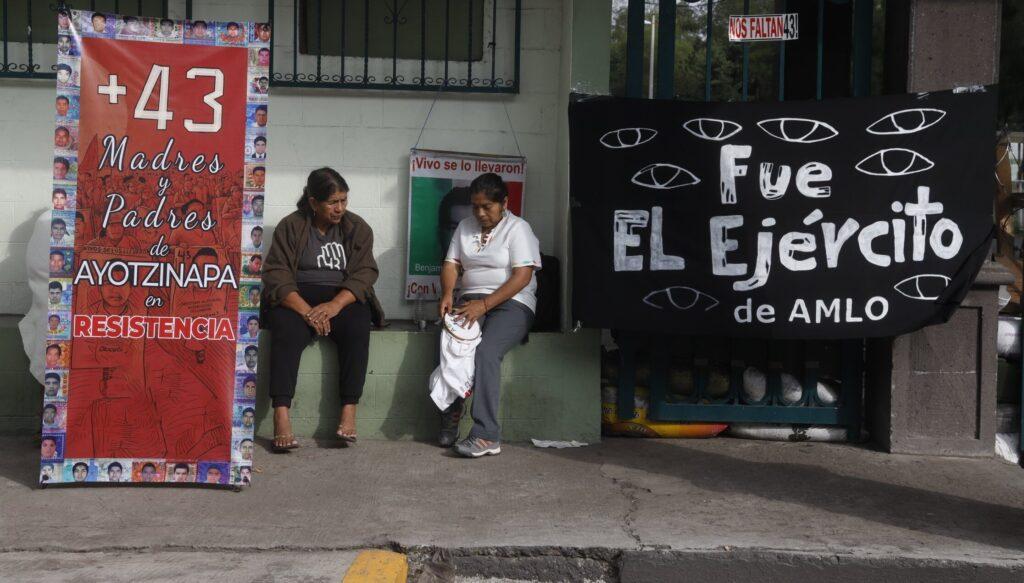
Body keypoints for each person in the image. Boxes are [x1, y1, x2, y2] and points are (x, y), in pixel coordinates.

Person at [262, 168, 384, 451]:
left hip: (340, 296)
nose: (340, 208)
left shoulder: (357, 228)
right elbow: (277, 273)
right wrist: (307, 311)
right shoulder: (291, 226)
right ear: (313, 202)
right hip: (298, 296)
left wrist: (335, 304)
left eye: (343, 200)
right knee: (285, 330)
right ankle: (281, 414)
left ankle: (349, 409)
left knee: (357, 326)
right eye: (333, 202)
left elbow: (365, 272)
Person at [438, 173, 542, 457]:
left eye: (487, 207)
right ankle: (452, 412)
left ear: (504, 203)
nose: (480, 213)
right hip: (471, 299)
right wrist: (447, 293)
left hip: (513, 303)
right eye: (476, 207)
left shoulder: (518, 228)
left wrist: (483, 306)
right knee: (454, 342)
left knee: (486, 352)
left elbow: (522, 276)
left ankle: (486, 435)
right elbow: (451, 264)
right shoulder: (465, 227)